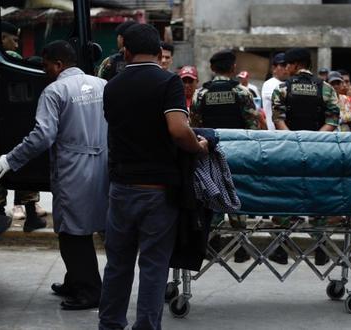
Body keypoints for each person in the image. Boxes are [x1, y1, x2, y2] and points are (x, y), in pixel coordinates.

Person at [98, 23, 208, 330]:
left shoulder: (112, 86)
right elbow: (177, 129)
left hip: (121, 188)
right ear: (160, 52)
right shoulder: (168, 82)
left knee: (118, 264)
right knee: (153, 265)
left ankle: (110, 324)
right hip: (158, 190)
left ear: (126, 52)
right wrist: (198, 146)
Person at [0, 40, 108, 310]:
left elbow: (43, 136)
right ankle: (74, 280)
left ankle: (88, 291)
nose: (44, 72)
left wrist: (11, 159)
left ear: (58, 64)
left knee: (72, 231)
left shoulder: (55, 91)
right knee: (90, 224)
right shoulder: (101, 85)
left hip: (73, 168)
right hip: (102, 163)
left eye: (45, 66)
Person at [272, 47, 340, 265]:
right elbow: (332, 120)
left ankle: (281, 249)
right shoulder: (326, 88)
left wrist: (295, 141)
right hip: (317, 152)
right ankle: (320, 250)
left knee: (285, 196)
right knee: (317, 197)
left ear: (293, 65)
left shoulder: (282, 88)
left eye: (287, 64)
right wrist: (313, 141)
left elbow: (278, 119)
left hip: (289, 152)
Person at [190, 50, 260, 263]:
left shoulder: (200, 94)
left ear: (212, 68)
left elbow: (195, 126)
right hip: (239, 153)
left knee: (214, 195)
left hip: (211, 154)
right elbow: (252, 127)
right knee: (237, 194)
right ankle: (241, 248)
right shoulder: (243, 93)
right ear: (233, 68)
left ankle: (213, 244)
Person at [0, 20, 45, 227]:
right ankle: (31, 215)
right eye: (13, 40)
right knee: (24, 164)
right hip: (15, 124)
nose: (15, 46)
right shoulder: (11, 59)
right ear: (1, 38)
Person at [261, 53, 288, 130]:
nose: (286, 68)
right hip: (274, 134)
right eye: (283, 65)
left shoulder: (288, 83)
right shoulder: (270, 84)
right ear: (274, 68)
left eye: (287, 65)